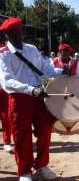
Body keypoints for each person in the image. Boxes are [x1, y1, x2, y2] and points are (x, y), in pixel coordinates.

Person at [0, 17, 67, 181]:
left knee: (45, 130)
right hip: (19, 98)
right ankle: (24, 171)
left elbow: (45, 69)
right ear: (6, 36)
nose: (16, 36)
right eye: (12, 34)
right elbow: (7, 80)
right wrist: (31, 90)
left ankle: (42, 165)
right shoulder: (3, 54)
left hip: (39, 97)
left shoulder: (32, 49)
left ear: (22, 32)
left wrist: (62, 71)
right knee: (22, 136)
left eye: (18, 33)